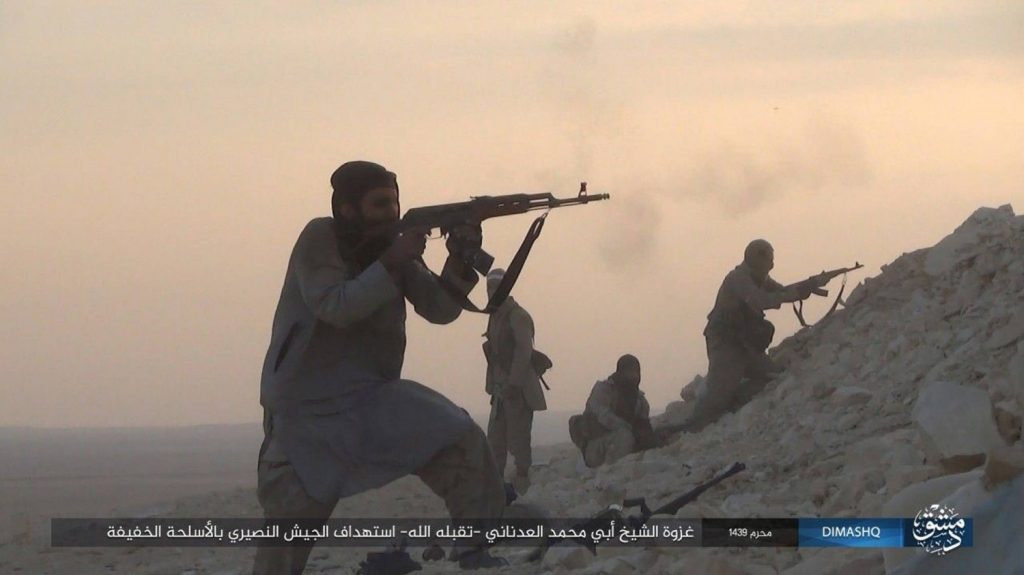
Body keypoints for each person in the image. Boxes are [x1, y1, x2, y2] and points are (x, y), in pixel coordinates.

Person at [254, 161, 506, 573]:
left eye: (394, 202)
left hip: (371, 397)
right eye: (379, 204)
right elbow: (335, 306)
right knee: (288, 530)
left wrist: (460, 260)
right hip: (308, 412)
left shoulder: (392, 248)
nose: (391, 212)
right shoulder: (321, 238)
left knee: (461, 441)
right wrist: (391, 260)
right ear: (348, 209)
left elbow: (440, 309)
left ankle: (475, 552)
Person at [682, 239, 813, 432]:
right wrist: (792, 295)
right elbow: (760, 300)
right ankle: (687, 430)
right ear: (757, 259)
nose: (772, 264)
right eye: (769, 260)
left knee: (771, 376)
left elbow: (781, 290)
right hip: (726, 343)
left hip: (745, 345)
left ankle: (734, 402)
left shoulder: (758, 278)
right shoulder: (738, 279)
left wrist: (807, 286)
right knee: (715, 401)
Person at [482, 268, 547, 494]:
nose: (491, 292)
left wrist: (514, 384)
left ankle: (522, 487)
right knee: (495, 442)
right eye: (489, 288)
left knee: (519, 442)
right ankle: (496, 489)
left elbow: (523, 351)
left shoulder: (518, 316)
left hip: (518, 390)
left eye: (496, 287)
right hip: (500, 390)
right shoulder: (495, 316)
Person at [568, 354, 660, 468]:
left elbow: (644, 422)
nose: (634, 376)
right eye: (630, 372)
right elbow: (603, 417)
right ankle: (611, 468)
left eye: (636, 372)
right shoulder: (603, 390)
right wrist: (629, 429)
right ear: (620, 372)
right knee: (625, 436)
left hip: (619, 443)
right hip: (596, 446)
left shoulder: (639, 400)